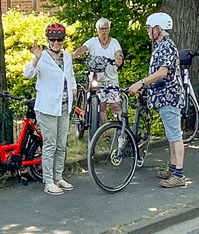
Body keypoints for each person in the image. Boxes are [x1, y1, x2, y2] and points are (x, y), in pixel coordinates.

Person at [128, 12, 188, 187]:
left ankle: (179, 175)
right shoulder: (161, 46)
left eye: (149, 28)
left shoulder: (166, 47)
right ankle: (172, 168)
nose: (148, 32)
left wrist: (141, 82)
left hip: (169, 97)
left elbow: (162, 72)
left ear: (158, 29)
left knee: (175, 135)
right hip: (163, 96)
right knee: (171, 134)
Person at [25, 23, 78, 195]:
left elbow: (70, 76)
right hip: (47, 107)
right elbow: (28, 74)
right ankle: (48, 181)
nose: (56, 42)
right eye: (53, 39)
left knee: (62, 144)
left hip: (64, 105)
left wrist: (74, 91)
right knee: (50, 144)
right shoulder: (43, 57)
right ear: (48, 40)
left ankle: (58, 177)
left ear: (64, 40)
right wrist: (37, 59)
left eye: (60, 39)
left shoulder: (68, 57)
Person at [74, 18, 124, 120]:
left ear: (109, 29)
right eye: (101, 29)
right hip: (96, 79)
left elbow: (119, 53)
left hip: (111, 78)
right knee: (101, 106)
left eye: (106, 28)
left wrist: (119, 58)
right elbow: (83, 48)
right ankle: (105, 134)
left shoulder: (114, 42)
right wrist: (75, 55)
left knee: (115, 105)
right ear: (97, 30)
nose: (104, 31)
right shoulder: (92, 41)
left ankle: (122, 130)